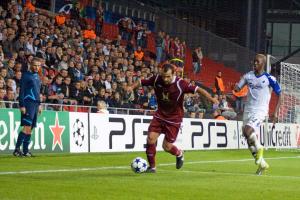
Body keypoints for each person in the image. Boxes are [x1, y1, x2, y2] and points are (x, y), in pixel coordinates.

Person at [130, 63, 218, 173]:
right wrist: (131, 87)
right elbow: (142, 82)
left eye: (168, 76)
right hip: (160, 115)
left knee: (166, 147)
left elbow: (198, 89)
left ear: (174, 74)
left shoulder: (181, 84)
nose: (165, 79)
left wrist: (211, 98)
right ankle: (152, 167)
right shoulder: (157, 79)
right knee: (150, 139)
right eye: (163, 76)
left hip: (174, 119)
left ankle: (179, 153)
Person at [234, 54, 281, 175]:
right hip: (248, 109)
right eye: (254, 61)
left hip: (260, 110)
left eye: (257, 62)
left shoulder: (269, 78)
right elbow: (238, 87)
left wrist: (275, 112)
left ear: (263, 63)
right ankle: (262, 164)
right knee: (248, 138)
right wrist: (236, 87)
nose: (255, 63)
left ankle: (260, 148)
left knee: (248, 130)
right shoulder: (248, 76)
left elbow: (281, 94)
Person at [13, 58, 42, 157]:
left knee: (31, 128)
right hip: (28, 104)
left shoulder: (37, 76)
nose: (37, 67)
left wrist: (39, 104)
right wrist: (22, 105)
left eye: (39, 65)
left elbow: (37, 92)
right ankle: (17, 149)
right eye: (35, 65)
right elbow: (21, 91)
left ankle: (25, 151)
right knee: (26, 127)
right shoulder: (26, 76)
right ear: (31, 65)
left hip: (35, 104)